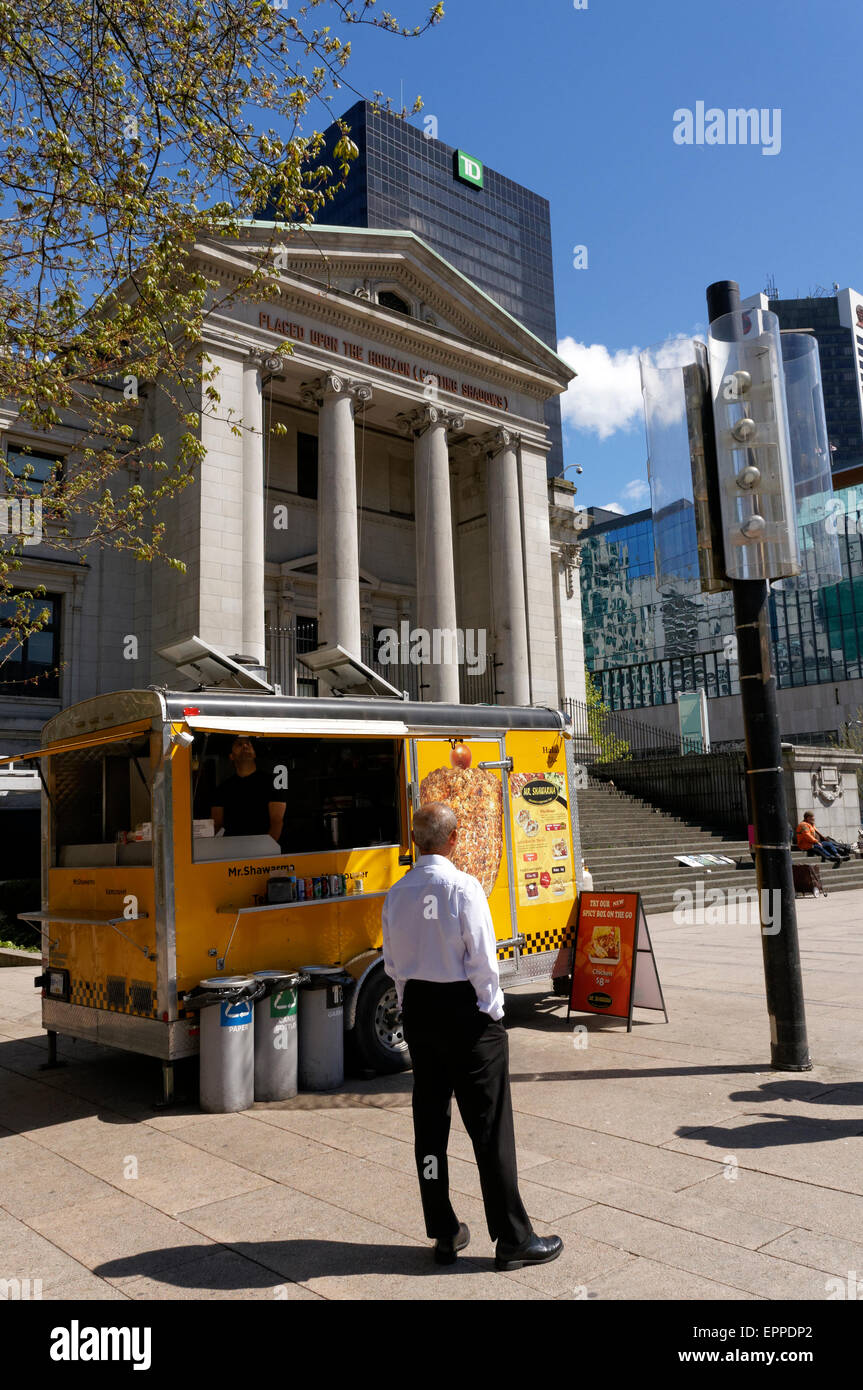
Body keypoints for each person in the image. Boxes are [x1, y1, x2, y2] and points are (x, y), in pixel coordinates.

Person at [382, 801, 563, 1272]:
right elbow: (483, 961)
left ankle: (443, 1231)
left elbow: (393, 964)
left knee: (430, 1124)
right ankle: (512, 1238)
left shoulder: (396, 893)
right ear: (454, 838)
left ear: (415, 842)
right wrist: (493, 1011)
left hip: (420, 1012)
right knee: (490, 1127)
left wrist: (409, 1004)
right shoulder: (463, 888)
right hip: (465, 1013)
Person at [211, 736, 286, 843]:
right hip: (231, 850)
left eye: (249, 744)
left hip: (263, 851)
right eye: (239, 744)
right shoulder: (222, 789)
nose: (245, 746)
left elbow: (277, 822)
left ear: (254, 754)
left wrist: (265, 850)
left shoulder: (273, 784)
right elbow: (217, 825)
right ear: (231, 756)